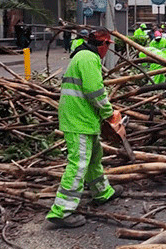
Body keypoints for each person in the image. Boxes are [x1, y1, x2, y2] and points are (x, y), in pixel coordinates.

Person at [47, 27, 123, 228]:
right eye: (108, 45)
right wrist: (109, 113)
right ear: (103, 44)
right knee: (79, 163)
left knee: (93, 157)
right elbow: (94, 91)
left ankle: (102, 192)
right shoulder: (89, 58)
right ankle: (62, 210)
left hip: (83, 118)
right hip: (78, 119)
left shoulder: (82, 56)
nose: (108, 49)